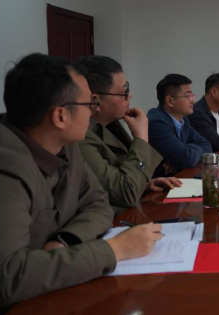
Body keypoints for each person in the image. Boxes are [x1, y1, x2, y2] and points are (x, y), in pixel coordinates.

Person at [0, 54, 162, 315]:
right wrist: (114, 250)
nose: (93, 110)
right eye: (88, 103)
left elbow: (98, 203)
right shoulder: (1, 168)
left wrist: (66, 239)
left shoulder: (64, 145)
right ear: (60, 116)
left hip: (53, 297)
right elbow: (5, 279)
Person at [76, 56, 180, 214]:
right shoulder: (80, 137)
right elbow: (125, 193)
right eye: (124, 92)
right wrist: (141, 138)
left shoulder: (110, 125)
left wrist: (143, 184)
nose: (129, 96)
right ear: (95, 101)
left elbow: (119, 179)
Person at [147, 74, 212, 177]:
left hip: (177, 178)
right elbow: (188, 159)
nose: (192, 100)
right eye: (187, 96)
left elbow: (207, 145)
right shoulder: (156, 123)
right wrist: (182, 158)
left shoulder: (183, 120)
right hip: (159, 184)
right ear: (170, 101)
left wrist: (179, 159)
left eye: (192, 95)